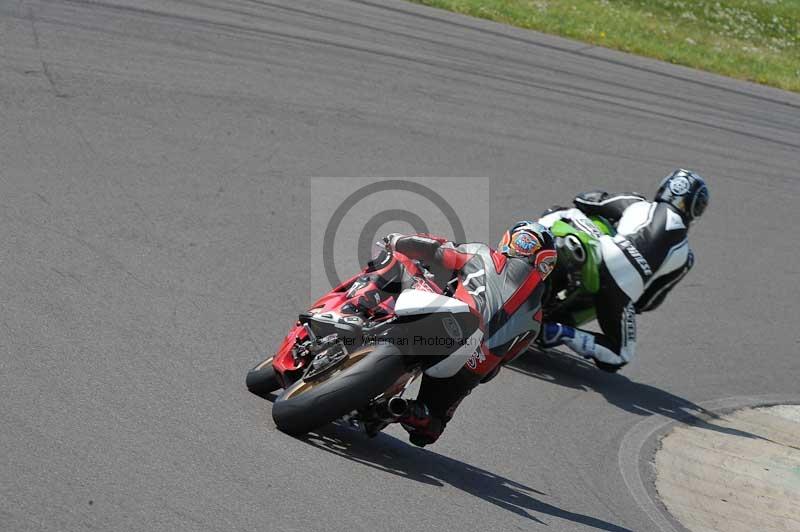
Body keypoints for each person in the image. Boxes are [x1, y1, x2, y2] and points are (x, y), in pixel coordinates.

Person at [383, 221, 557, 446]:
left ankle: (352, 311)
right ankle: (415, 412)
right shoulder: (536, 319)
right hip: (470, 366)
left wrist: (397, 241)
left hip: (447, 321)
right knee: (429, 428)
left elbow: (436, 249)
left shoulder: (484, 254)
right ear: (546, 264)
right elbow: (497, 367)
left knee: (394, 265)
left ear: (509, 241)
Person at [536, 168, 710, 372]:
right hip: (621, 290)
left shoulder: (637, 203)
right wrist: (627, 304)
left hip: (602, 253)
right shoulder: (685, 257)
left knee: (561, 213)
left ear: (664, 188)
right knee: (619, 354)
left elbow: (589, 201)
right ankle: (559, 332)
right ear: (695, 210)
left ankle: (519, 252)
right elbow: (649, 301)